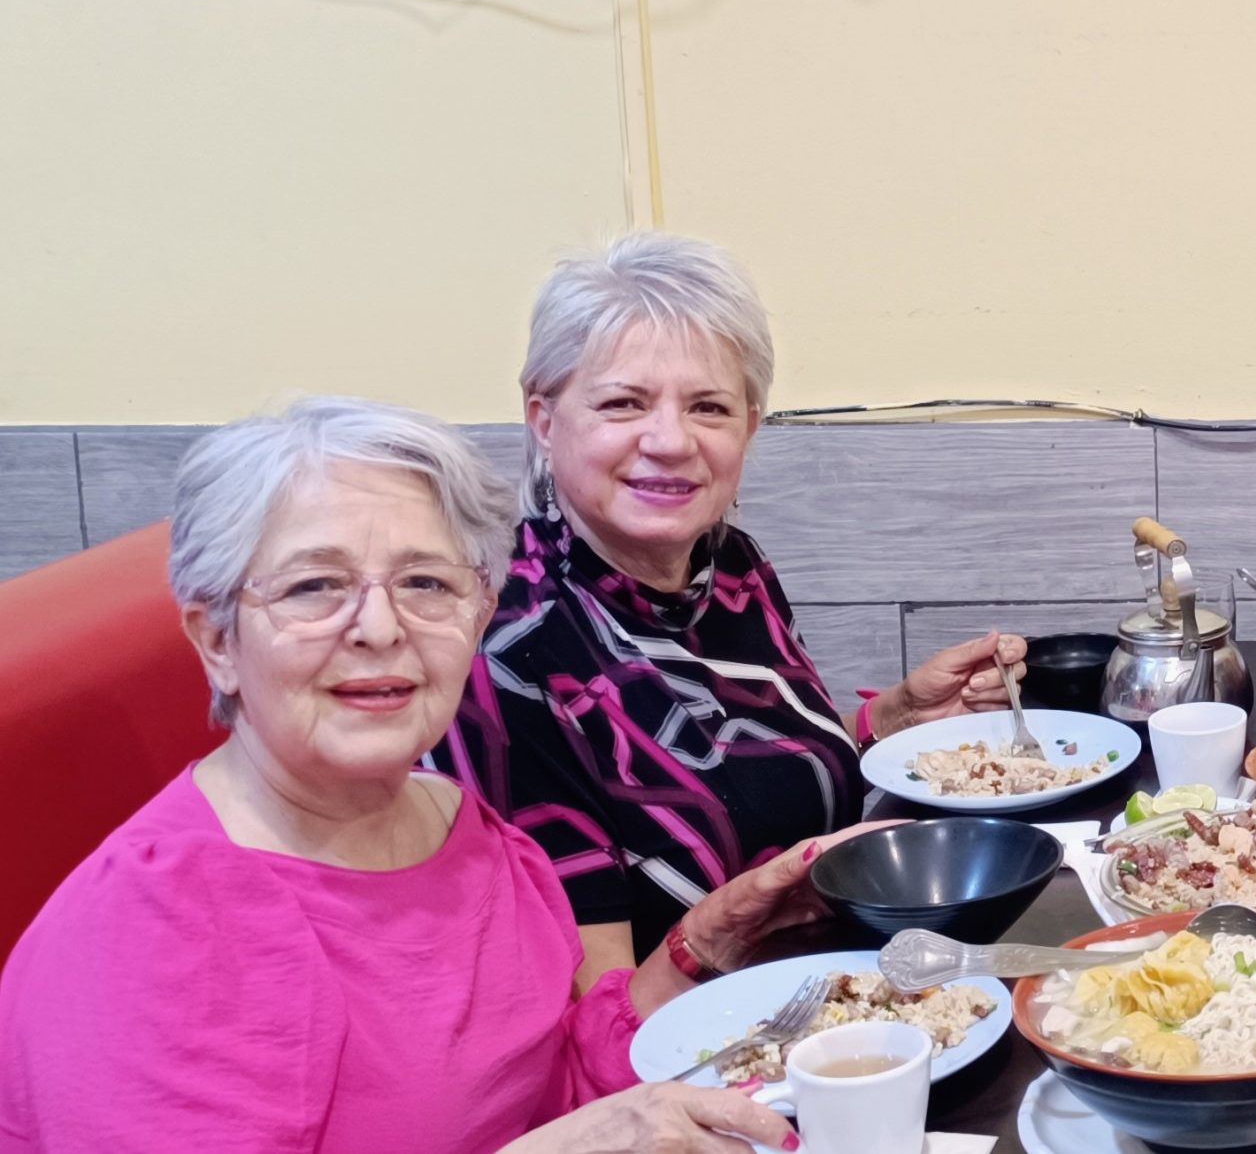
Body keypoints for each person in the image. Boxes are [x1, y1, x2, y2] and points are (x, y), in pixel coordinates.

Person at [0, 397, 865, 1151]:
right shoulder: (156, 928)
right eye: (314, 587)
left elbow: (553, 1077)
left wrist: (702, 943)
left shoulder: (461, 822)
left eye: (424, 583)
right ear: (218, 639)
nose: (379, 627)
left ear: (479, 613)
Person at [427, 233, 1024, 987]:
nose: (671, 441)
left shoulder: (729, 565)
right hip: (694, 1066)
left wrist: (895, 717)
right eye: (623, 402)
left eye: (708, 406)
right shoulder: (507, 652)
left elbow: (746, 781)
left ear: (749, 423)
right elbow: (594, 1014)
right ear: (545, 421)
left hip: (844, 990)